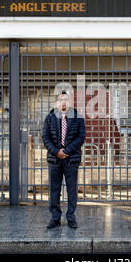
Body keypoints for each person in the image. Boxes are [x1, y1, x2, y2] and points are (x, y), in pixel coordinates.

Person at [42, 91, 85, 229]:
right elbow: (45, 137)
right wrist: (56, 152)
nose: (63, 103)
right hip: (54, 160)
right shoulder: (50, 117)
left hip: (71, 159)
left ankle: (71, 217)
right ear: (56, 103)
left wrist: (66, 151)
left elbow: (81, 137)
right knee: (54, 189)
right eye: (61, 100)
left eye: (66, 100)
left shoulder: (78, 117)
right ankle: (55, 218)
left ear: (70, 102)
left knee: (72, 190)